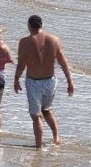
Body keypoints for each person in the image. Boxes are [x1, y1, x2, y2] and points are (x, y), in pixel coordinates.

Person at [12, 15, 74, 149]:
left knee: (36, 116)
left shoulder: (25, 42)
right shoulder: (54, 39)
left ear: (29, 26)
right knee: (46, 110)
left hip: (34, 82)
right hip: (50, 81)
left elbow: (21, 64)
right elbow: (63, 62)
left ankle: (38, 146)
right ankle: (56, 136)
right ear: (41, 25)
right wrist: (70, 81)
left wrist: (16, 79)